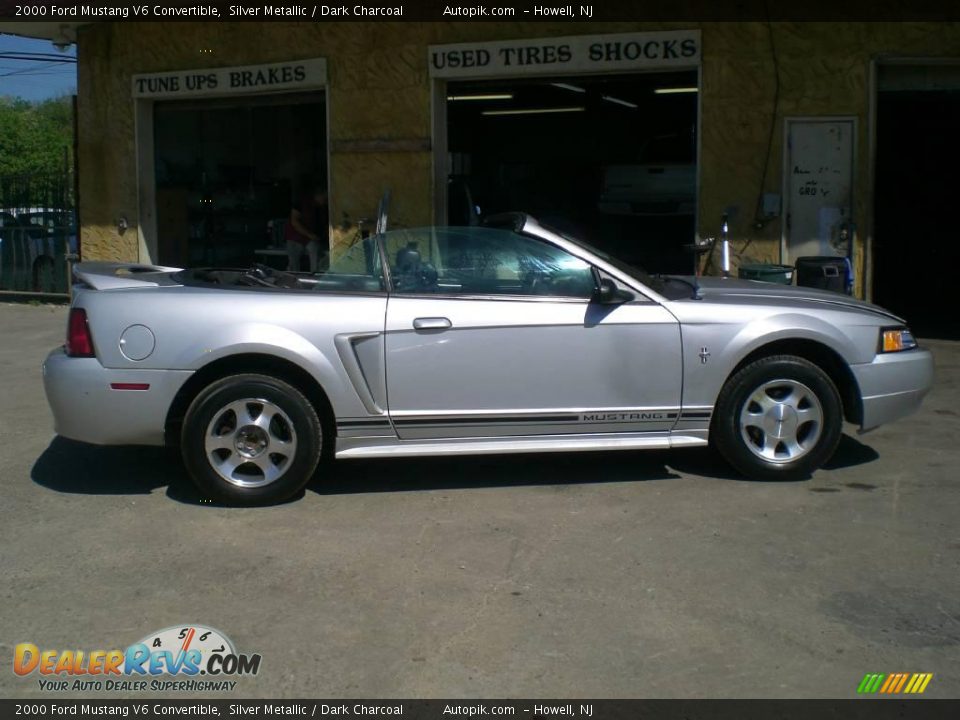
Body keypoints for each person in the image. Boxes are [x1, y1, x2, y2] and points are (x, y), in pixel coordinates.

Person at [285, 180, 329, 272]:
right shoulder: (301, 203)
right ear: (318, 195)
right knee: (293, 263)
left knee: (315, 251)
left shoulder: (323, 208)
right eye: (324, 198)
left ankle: (315, 277)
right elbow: (295, 222)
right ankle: (294, 280)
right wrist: (309, 234)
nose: (326, 201)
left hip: (311, 239)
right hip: (295, 237)